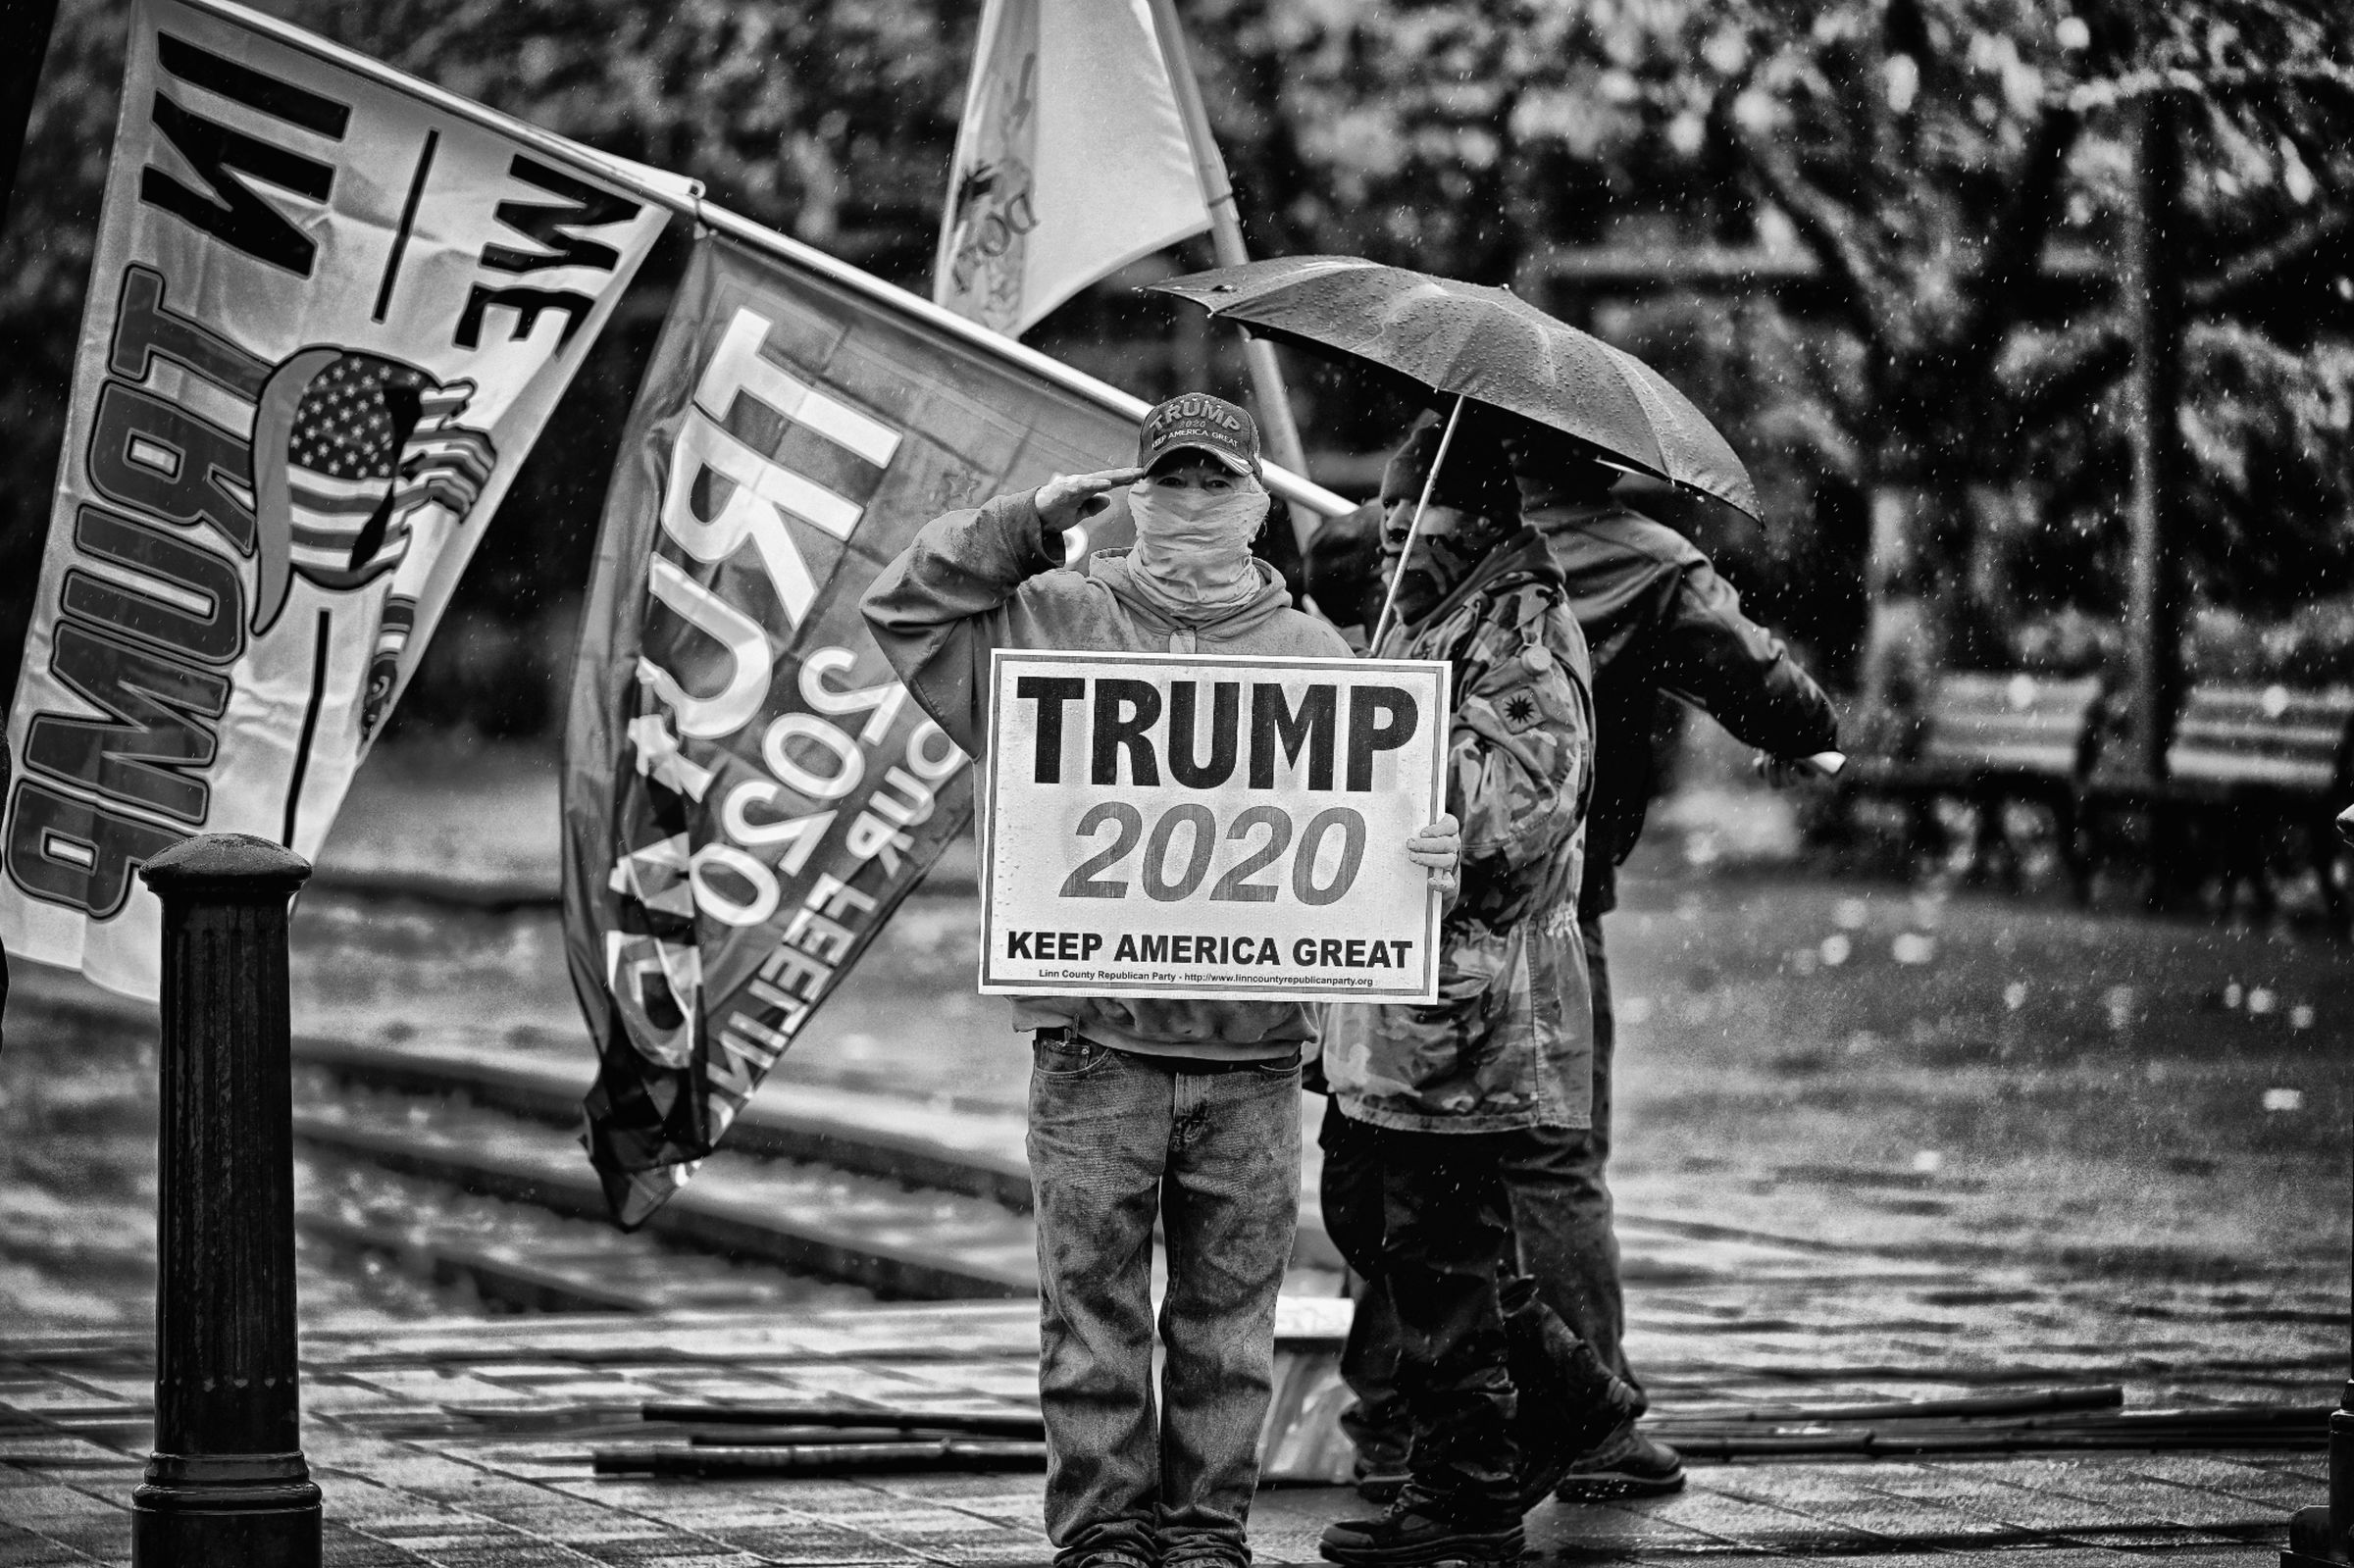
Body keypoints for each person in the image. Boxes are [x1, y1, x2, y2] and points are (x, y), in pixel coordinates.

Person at [860, 393, 1461, 1568]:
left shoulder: (1317, 657)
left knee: (1227, 1333)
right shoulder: (1049, 620)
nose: (1192, 503)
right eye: (1170, 479)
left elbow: (1379, 841)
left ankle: (1202, 1533)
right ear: (1133, 493)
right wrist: (1029, 521)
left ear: (1257, 504)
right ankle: (1102, 1535)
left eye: (1213, 482)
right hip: (1095, 1048)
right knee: (1090, 1316)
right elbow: (904, 604)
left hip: (1249, 1060)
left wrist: (1423, 847)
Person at [1324, 410, 1841, 1502]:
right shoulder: (1642, 559)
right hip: (1549, 912)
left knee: (1404, 1152)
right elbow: (1762, 682)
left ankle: (1399, 1409)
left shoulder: (1406, 544)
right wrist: (1805, 734)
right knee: (1546, 1159)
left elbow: (1304, 596)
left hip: (1402, 906)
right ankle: (1580, 1407)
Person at [1314, 416, 1636, 1568]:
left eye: (1420, 520)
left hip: (1469, 1002)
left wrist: (1407, 776)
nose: (1400, 536)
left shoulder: (1524, 631)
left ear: (1477, 525)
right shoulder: (1433, 607)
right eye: (1395, 519)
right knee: (1373, 1213)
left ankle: (1467, 1489)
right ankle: (1569, 1393)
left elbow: (1522, 804)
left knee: (1438, 1246)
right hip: (1394, 1002)